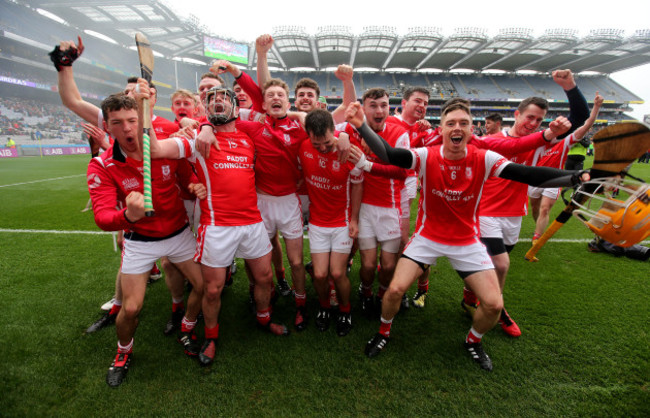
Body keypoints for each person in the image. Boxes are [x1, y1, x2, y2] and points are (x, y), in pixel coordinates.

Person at [345, 99, 587, 370]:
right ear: (443, 129)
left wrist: (575, 178)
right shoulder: (427, 155)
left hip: (466, 240)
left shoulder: (485, 158)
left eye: (463, 123)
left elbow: (530, 175)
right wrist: (361, 126)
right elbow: (390, 155)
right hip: (428, 237)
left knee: (494, 305)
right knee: (395, 291)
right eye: (450, 123)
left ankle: (473, 341)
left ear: (473, 130)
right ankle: (383, 332)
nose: (456, 128)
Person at [50, 36, 187, 334]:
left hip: (171, 212)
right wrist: (65, 66)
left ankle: (177, 309)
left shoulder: (165, 126)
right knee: (128, 256)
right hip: (132, 205)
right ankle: (117, 306)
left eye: (136, 96)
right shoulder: (115, 119)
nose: (129, 102)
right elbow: (72, 100)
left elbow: (187, 153)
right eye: (126, 95)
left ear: (149, 99)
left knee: (171, 265)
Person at [150, 86, 290, 366]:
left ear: (236, 109)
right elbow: (155, 149)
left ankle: (263, 319)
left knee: (264, 279)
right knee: (212, 289)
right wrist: (147, 111)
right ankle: (211, 337)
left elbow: (281, 117)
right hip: (217, 227)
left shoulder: (249, 136)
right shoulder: (197, 140)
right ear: (205, 108)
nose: (217, 102)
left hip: (252, 224)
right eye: (211, 99)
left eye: (224, 98)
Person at [88, 86, 205, 386]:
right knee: (131, 308)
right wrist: (127, 216)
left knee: (205, 287)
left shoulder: (161, 148)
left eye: (131, 120)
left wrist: (194, 186)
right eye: (117, 123)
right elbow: (102, 218)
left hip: (178, 233)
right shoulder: (102, 165)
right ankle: (123, 352)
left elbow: (185, 177)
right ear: (106, 126)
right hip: (139, 240)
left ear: (139, 120)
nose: (126, 128)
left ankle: (187, 328)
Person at [462, 70, 589, 337]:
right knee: (502, 264)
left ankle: (469, 296)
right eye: (529, 117)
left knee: (494, 261)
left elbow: (579, 120)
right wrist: (546, 134)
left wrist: (570, 87)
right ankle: (497, 309)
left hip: (514, 214)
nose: (534, 123)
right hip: (485, 211)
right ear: (517, 114)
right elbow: (517, 147)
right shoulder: (493, 140)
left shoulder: (541, 140)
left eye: (539, 120)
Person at [337, 88, 409, 317]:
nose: (379, 110)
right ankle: (366, 291)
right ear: (364, 108)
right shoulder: (351, 128)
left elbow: (401, 172)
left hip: (390, 207)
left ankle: (382, 294)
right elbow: (328, 129)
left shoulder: (399, 133)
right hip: (364, 208)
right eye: (373, 106)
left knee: (388, 265)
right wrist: (343, 137)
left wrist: (367, 164)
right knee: (368, 265)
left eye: (384, 105)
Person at [298, 109, 363, 335]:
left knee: (337, 273)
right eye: (316, 145)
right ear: (307, 136)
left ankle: (345, 310)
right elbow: (288, 114)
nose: (323, 148)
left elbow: (357, 185)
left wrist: (354, 219)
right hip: (317, 222)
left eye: (326, 142)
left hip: (341, 222)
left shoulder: (348, 150)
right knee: (318, 274)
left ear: (334, 132)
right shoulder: (303, 146)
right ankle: (325, 308)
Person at [529, 92, 603, 249]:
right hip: (535, 178)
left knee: (544, 208)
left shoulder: (564, 142)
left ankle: (537, 236)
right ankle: (539, 227)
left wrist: (596, 107)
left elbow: (587, 125)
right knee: (535, 208)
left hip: (554, 180)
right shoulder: (536, 140)